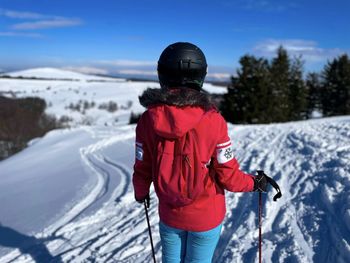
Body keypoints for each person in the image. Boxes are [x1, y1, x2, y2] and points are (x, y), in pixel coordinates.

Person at [132, 42, 268, 263]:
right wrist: (255, 182)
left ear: (162, 74)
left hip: (170, 215)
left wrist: (141, 192)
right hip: (206, 217)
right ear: (200, 75)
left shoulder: (148, 120)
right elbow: (228, 177)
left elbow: (142, 166)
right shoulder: (213, 120)